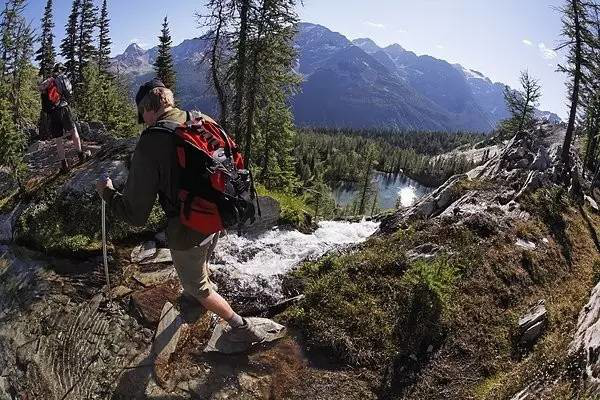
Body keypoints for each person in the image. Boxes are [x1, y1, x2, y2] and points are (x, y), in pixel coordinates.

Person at [95, 79, 266, 345]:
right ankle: (201, 286)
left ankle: (240, 325)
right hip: (219, 210)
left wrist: (107, 192)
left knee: (197, 287)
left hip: (189, 225)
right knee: (201, 262)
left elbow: (136, 214)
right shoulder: (199, 119)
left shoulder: (152, 140)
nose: (144, 122)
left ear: (147, 110)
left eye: (143, 117)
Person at [39, 63, 90, 173]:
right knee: (73, 131)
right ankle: (81, 155)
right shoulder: (63, 79)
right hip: (64, 108)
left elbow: (40, 88)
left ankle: (64, 165)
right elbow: (69, 94)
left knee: (58, 139)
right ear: (62, 70)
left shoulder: (49, 80)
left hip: (53, 112)